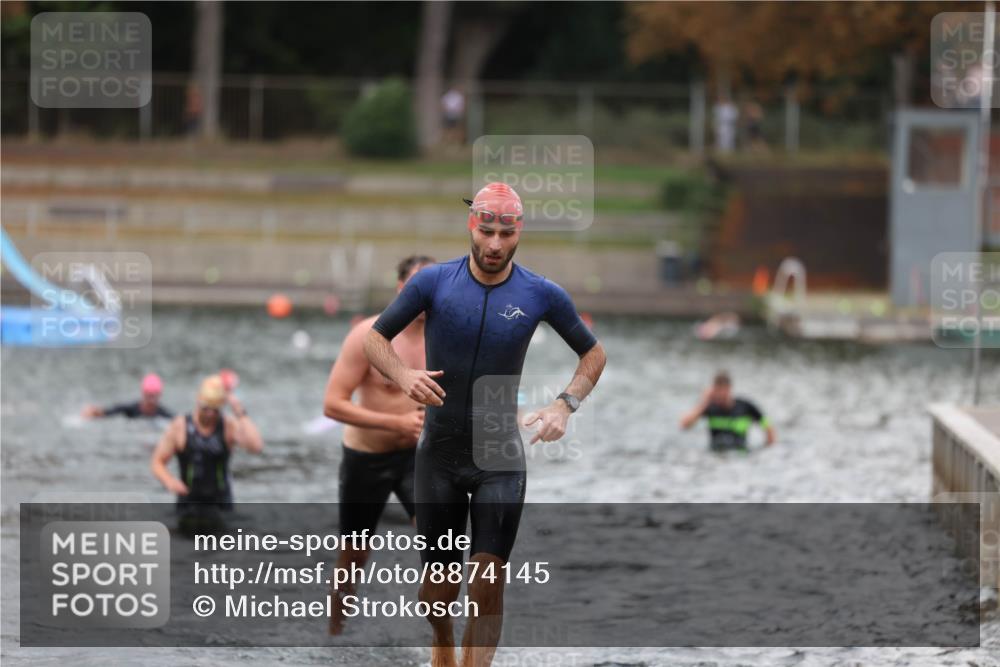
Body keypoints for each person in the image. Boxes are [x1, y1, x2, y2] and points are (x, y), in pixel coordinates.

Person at [364, 182, 606, 667]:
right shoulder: (433, 283)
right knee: (438, 593)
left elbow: (593, 354)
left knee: (488, 579)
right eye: (487, 230)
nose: (495, 244)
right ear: (472, 224)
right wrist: (403, 374)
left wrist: (564, 406)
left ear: (520, 234)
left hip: (499, 455)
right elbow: (376, 339)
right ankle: (442, 643)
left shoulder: (541, 293)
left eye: (506, 234)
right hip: (439, 455)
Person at [322, 254, 435, 635]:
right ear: (401, 288)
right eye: (418, 286)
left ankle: (440, 635)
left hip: (418, 458)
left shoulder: (446, 339)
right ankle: (335, 632)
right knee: (354, 555)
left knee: (439, 541)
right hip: (365, 457)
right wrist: (398, 422)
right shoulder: (369, 337)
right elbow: (333, 404)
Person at [150, 375, 263, 529]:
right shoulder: (180, 426)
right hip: (188, 504)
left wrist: (240, 412)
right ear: (198, 402)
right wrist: (169, 481)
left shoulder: (228, 425)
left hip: (221, 505)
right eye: (206, 409)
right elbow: (157, 462)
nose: (210, 413)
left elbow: (256, 446)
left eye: (215, 410)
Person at [680, 371, 775, 451]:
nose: (720, 395)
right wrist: (705, 402)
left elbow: (768, 426)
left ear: (729, 388)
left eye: (723, 390)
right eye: (717, 391)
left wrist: (766, 448)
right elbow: (684, 425)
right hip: (716, 453)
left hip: (740, 454)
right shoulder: (710, 407)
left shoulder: (745, 406)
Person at [81, 373, 173, 420]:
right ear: (143, 394)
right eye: (148, 396)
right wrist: (94, 412)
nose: (151, 401)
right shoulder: (130, 409)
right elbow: (109, 412)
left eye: (154, 397)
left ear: (159, 396)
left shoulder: (163, 414)